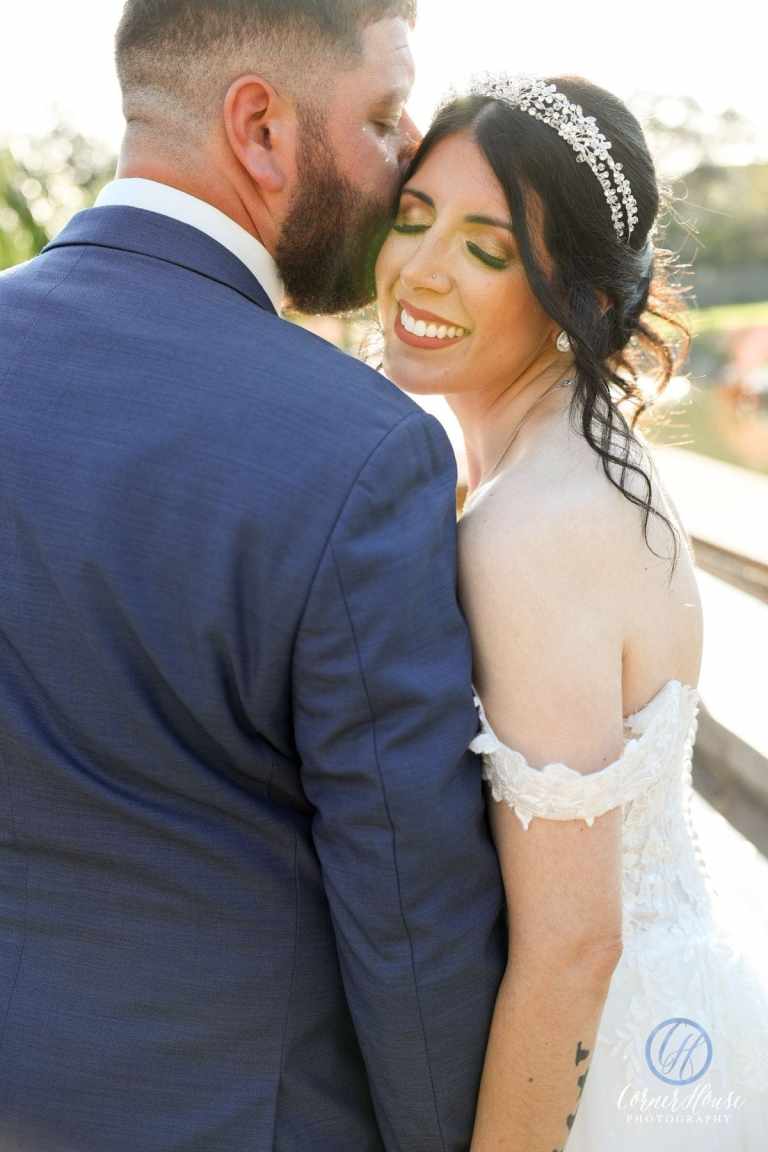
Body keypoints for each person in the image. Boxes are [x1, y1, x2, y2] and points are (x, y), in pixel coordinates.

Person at [0, 3, 508, 1150]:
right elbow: (410, 908)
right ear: (262, 129)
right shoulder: (359, 450)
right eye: (384, 118)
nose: (407, 156)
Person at [375, 74, 768, 1151]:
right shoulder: (584, 459)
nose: (422, 266)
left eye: (487, 248)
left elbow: (574, 947)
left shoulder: (532, 530)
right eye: (413, 219)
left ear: (578, 295)